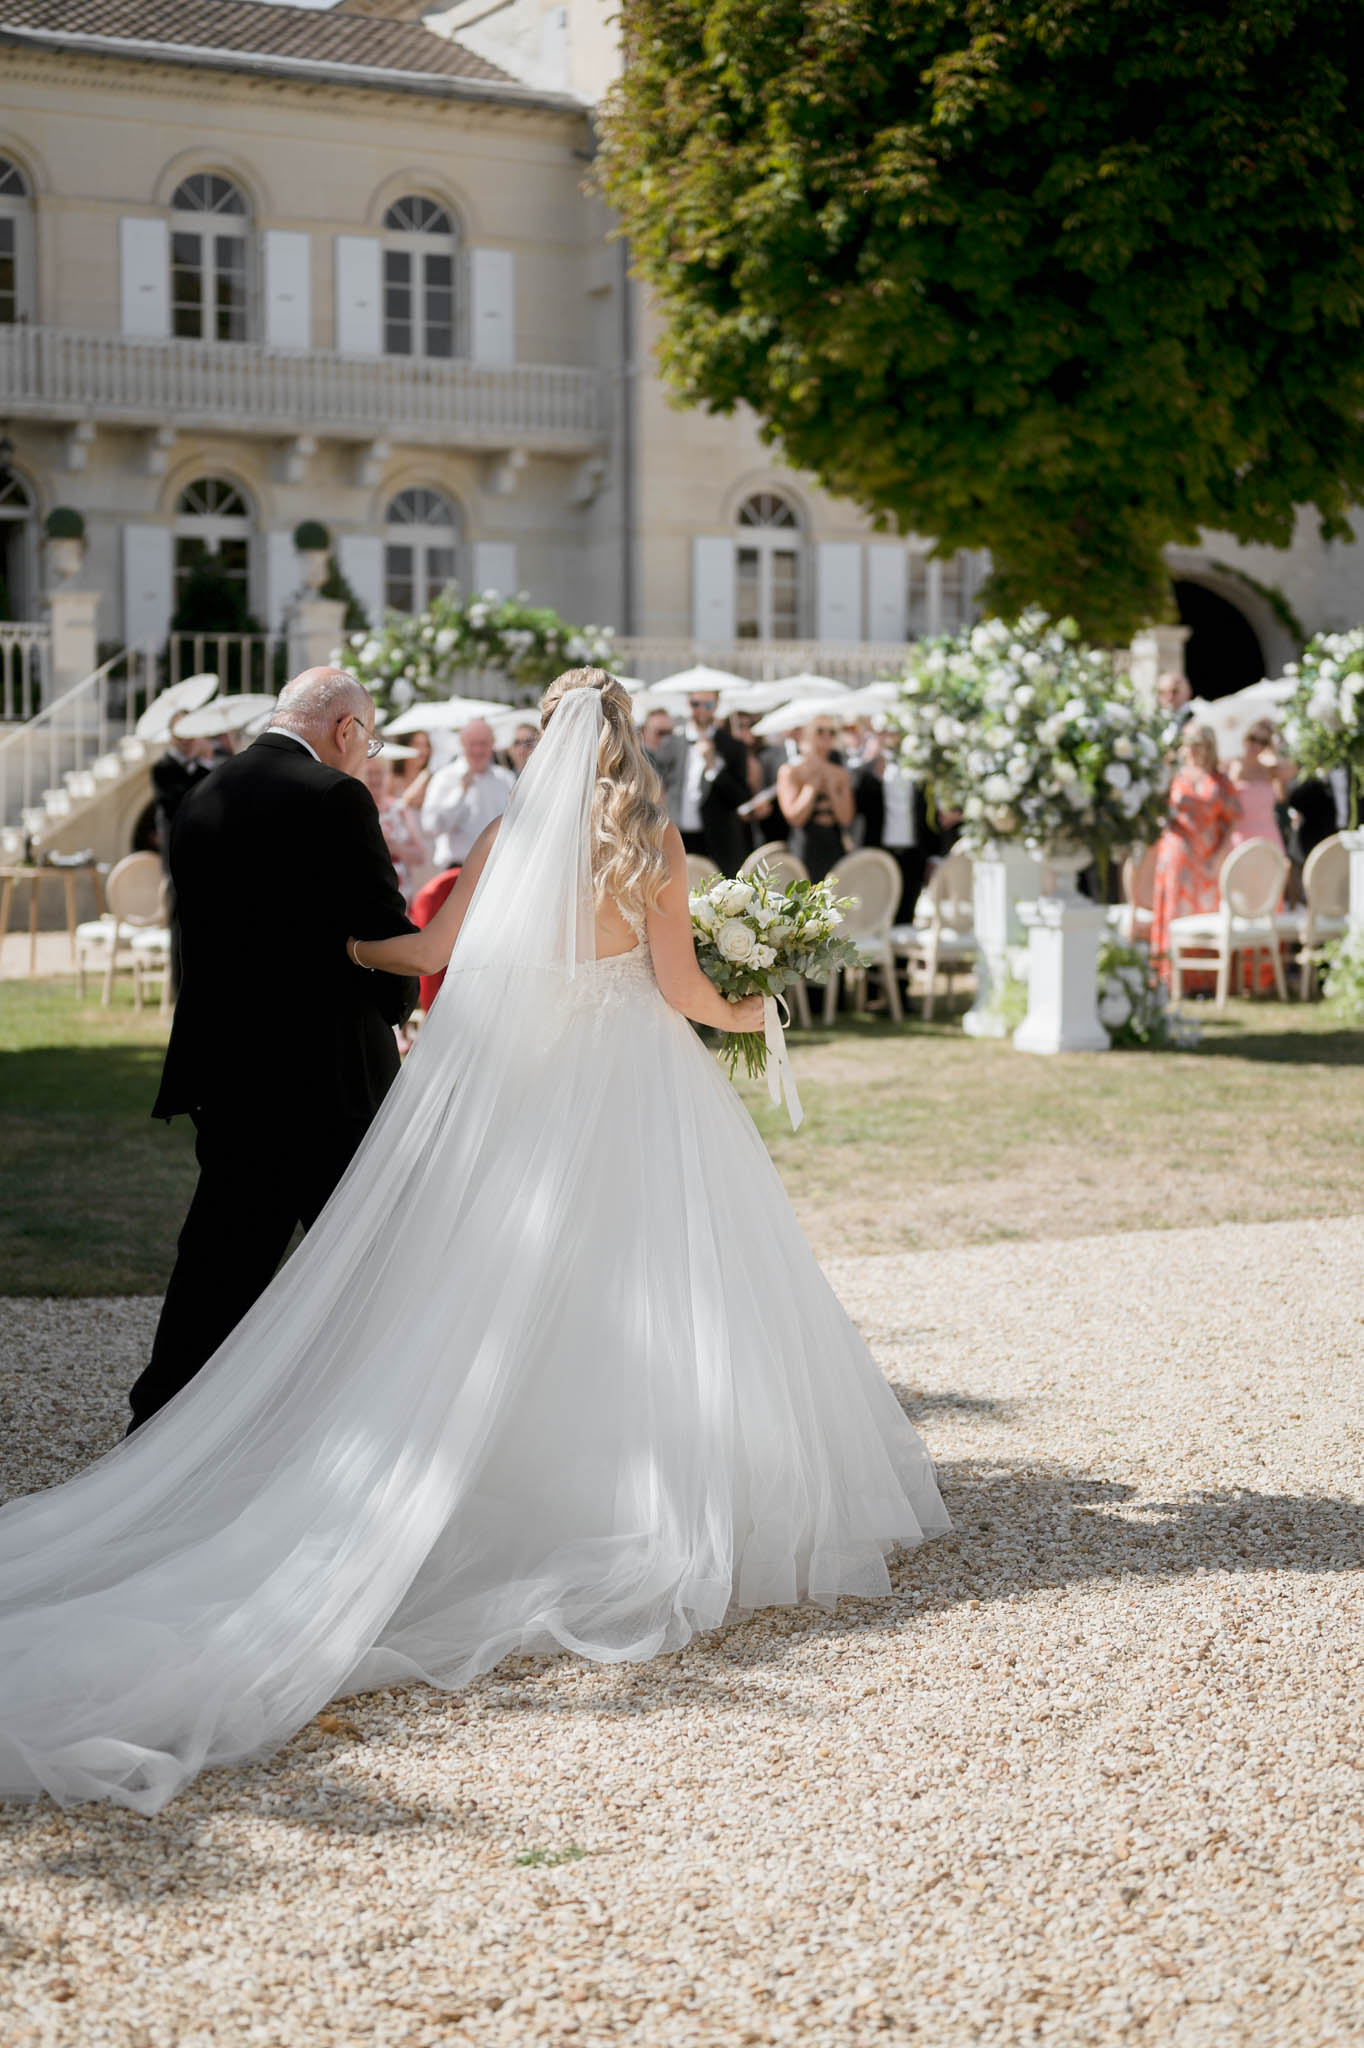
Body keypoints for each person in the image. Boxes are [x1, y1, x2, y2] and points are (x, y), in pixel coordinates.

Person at [0, 667, 948, 1813]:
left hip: (527, 1090)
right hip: (634, 1086)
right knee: (658, 1277)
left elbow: (426, 947)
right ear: (627, 741)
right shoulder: (647, 846)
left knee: (503, 1282)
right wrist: (765, 1001)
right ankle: (639, 1490)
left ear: (543, 744)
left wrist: (348, 954)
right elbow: (686, 989)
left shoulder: (506, 833)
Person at [125, 668, 419, 1433]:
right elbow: (382, 929)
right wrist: (402, 1007)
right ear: (346, 730)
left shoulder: (204, 793)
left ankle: (157, 1425)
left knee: (218, 1267)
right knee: (371, 1261)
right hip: (329, 1074)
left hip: (227, 1070)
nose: (366, 755)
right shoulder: (334, 796)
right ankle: (375, 1430)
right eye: (371, 739)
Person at [1149, 724, 1240, 990]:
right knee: (1175, 914)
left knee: (1205, 914)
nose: (1192, 749)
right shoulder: (1174, 775)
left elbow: (1231, 820)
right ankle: (1171, 978)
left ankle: (1206, 981)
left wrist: (1220, 854)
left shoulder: (1220, 780)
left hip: (1208, 855)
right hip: (1177, 853)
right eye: (1188, 743)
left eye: (1198, 743)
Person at [854, 723, 932, 922]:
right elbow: (858, 807)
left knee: (906, 915)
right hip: (879, 854)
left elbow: (925, 815)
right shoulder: (867, 772)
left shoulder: (917, 770)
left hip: (913, 855)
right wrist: (875, 767)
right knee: (875, 915)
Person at [420, 718, 515, 870]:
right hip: (456, 871)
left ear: (492, 744)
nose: (477, 750)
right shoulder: (445, 777)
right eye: (472, 744)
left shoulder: (506, 779)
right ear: (462, 745)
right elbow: (430, 826)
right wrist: (459, 792)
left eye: (483, 744)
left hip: (496, 869)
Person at [677, 686, 750, 874]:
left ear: (716, 706)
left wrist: (714, 767)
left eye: (708, 704)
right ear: (688, 704)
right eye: (696, 703)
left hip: (718, 842)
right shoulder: (671, 743)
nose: (701, 709)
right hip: (678, 837)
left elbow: (741, 797)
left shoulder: (733, 747)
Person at [777, 718, 855, 881]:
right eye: (820, 731)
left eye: (832, 732)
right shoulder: (791, 772)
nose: (826, 736)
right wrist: (811, 786)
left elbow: (846, 819)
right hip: (804, 847)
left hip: (834, 846)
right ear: (806, 734)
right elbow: (795, 818)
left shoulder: (840, 774)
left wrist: (832, 790)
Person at [150, 716, 213, 868]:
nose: (186, 739)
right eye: (180, 733)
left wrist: (205, 761)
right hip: (176, 848)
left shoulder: (204, 765)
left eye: (190, 732)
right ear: (171, 735)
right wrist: (204, 764)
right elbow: (182, 802)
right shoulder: (161, 768)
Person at [1227, 720, 1294, 853]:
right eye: (1253, 739)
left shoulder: (1268, 770)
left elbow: (1291, 771)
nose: (1256, 745)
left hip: (1268, 835)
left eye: (1263, 742)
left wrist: (1276, 744)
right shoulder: (1229, 766)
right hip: (1240, 835)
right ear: (1245, 738)